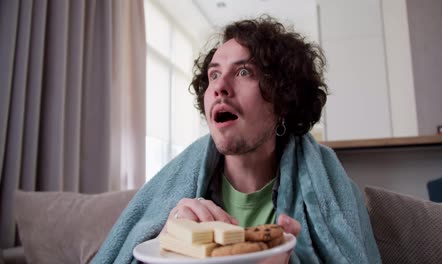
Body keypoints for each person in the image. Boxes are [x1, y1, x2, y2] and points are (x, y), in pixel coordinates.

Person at [93, 16, 381, 264]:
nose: (219, 86)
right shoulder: (178, 202)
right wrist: (171, 247)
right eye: (214, 74)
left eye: (244, 72)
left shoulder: (330, 188)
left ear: (283, 99)